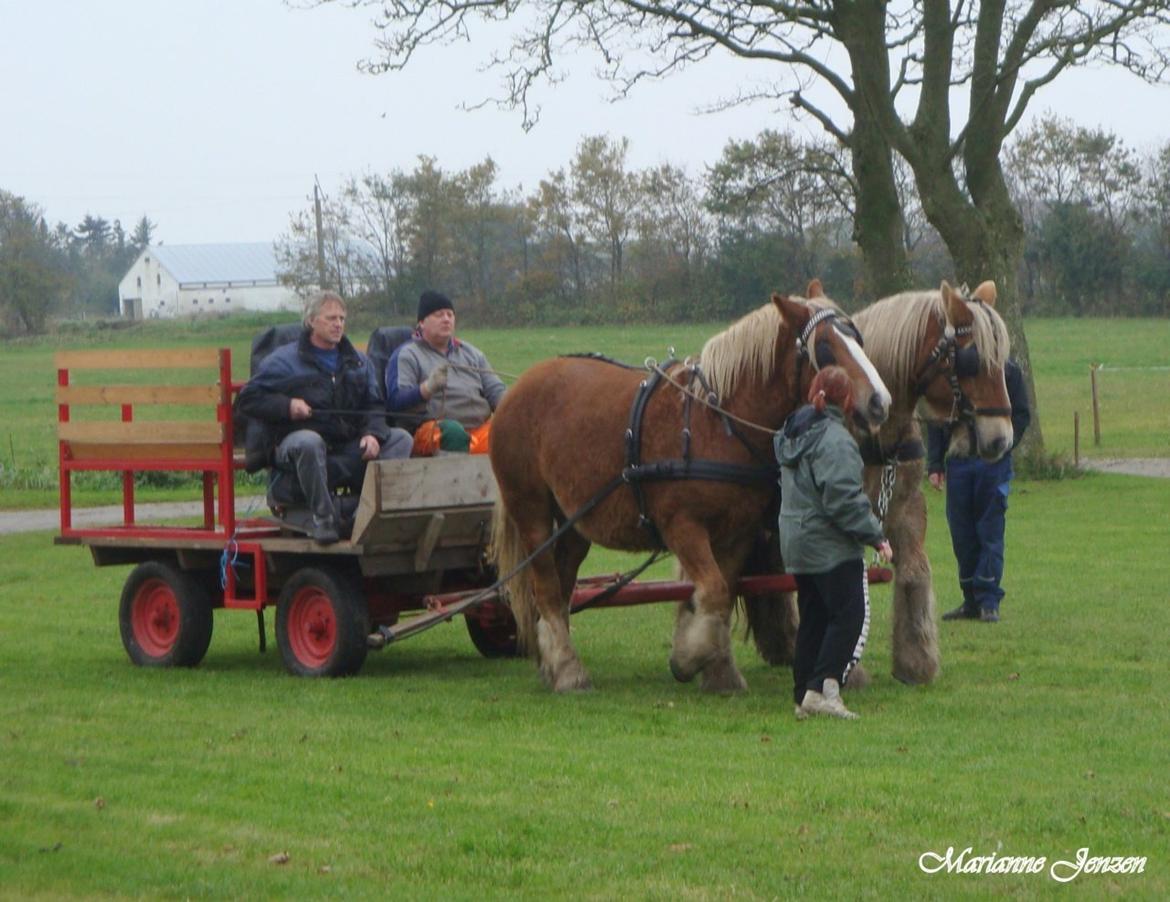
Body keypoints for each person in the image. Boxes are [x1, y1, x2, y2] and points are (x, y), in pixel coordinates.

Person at [237, 290, 412, 544]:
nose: (338, 324)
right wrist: (288, 406)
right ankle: (323, 517)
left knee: (401, 440)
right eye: (331, 318)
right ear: (311, 321)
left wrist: (372, 434)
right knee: (309, 441)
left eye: (342, 318)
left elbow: (374, 405)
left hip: (346, 444)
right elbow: (247, 400)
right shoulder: (283, 362)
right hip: (295, 446)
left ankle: (366, 513)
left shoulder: (359, 363)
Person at [776, 366, 894, 721]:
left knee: (813, 617)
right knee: (849, 616)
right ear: (846, 400)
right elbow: (843, 499)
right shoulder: (835, 440)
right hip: (829, 546)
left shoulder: (792, 434)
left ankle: (804, 695)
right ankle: (825, 688)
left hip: (796, 543)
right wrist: (875, 535)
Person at [928, 358, 1031, 623]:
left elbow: (1021, 414)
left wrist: (1005, 444)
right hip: (959, 460)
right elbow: (938, 419)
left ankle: (989, 600)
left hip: (993, 464)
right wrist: (935, 464)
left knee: (990, 530)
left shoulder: (1008, 371)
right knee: (961, 533)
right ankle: (970, 600)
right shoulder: (953, 373)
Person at [385, 290, 506, 455]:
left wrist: (513, 407)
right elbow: (395, 403)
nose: (446, 319)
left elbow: (495, 390)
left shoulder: (472, 353)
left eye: (450, 314)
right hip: (431, 431)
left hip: (478, 430)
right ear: (421, 322)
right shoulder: (407, 354)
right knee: (453, 433)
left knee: (512, 432)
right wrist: (427, 388)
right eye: (439, 315)